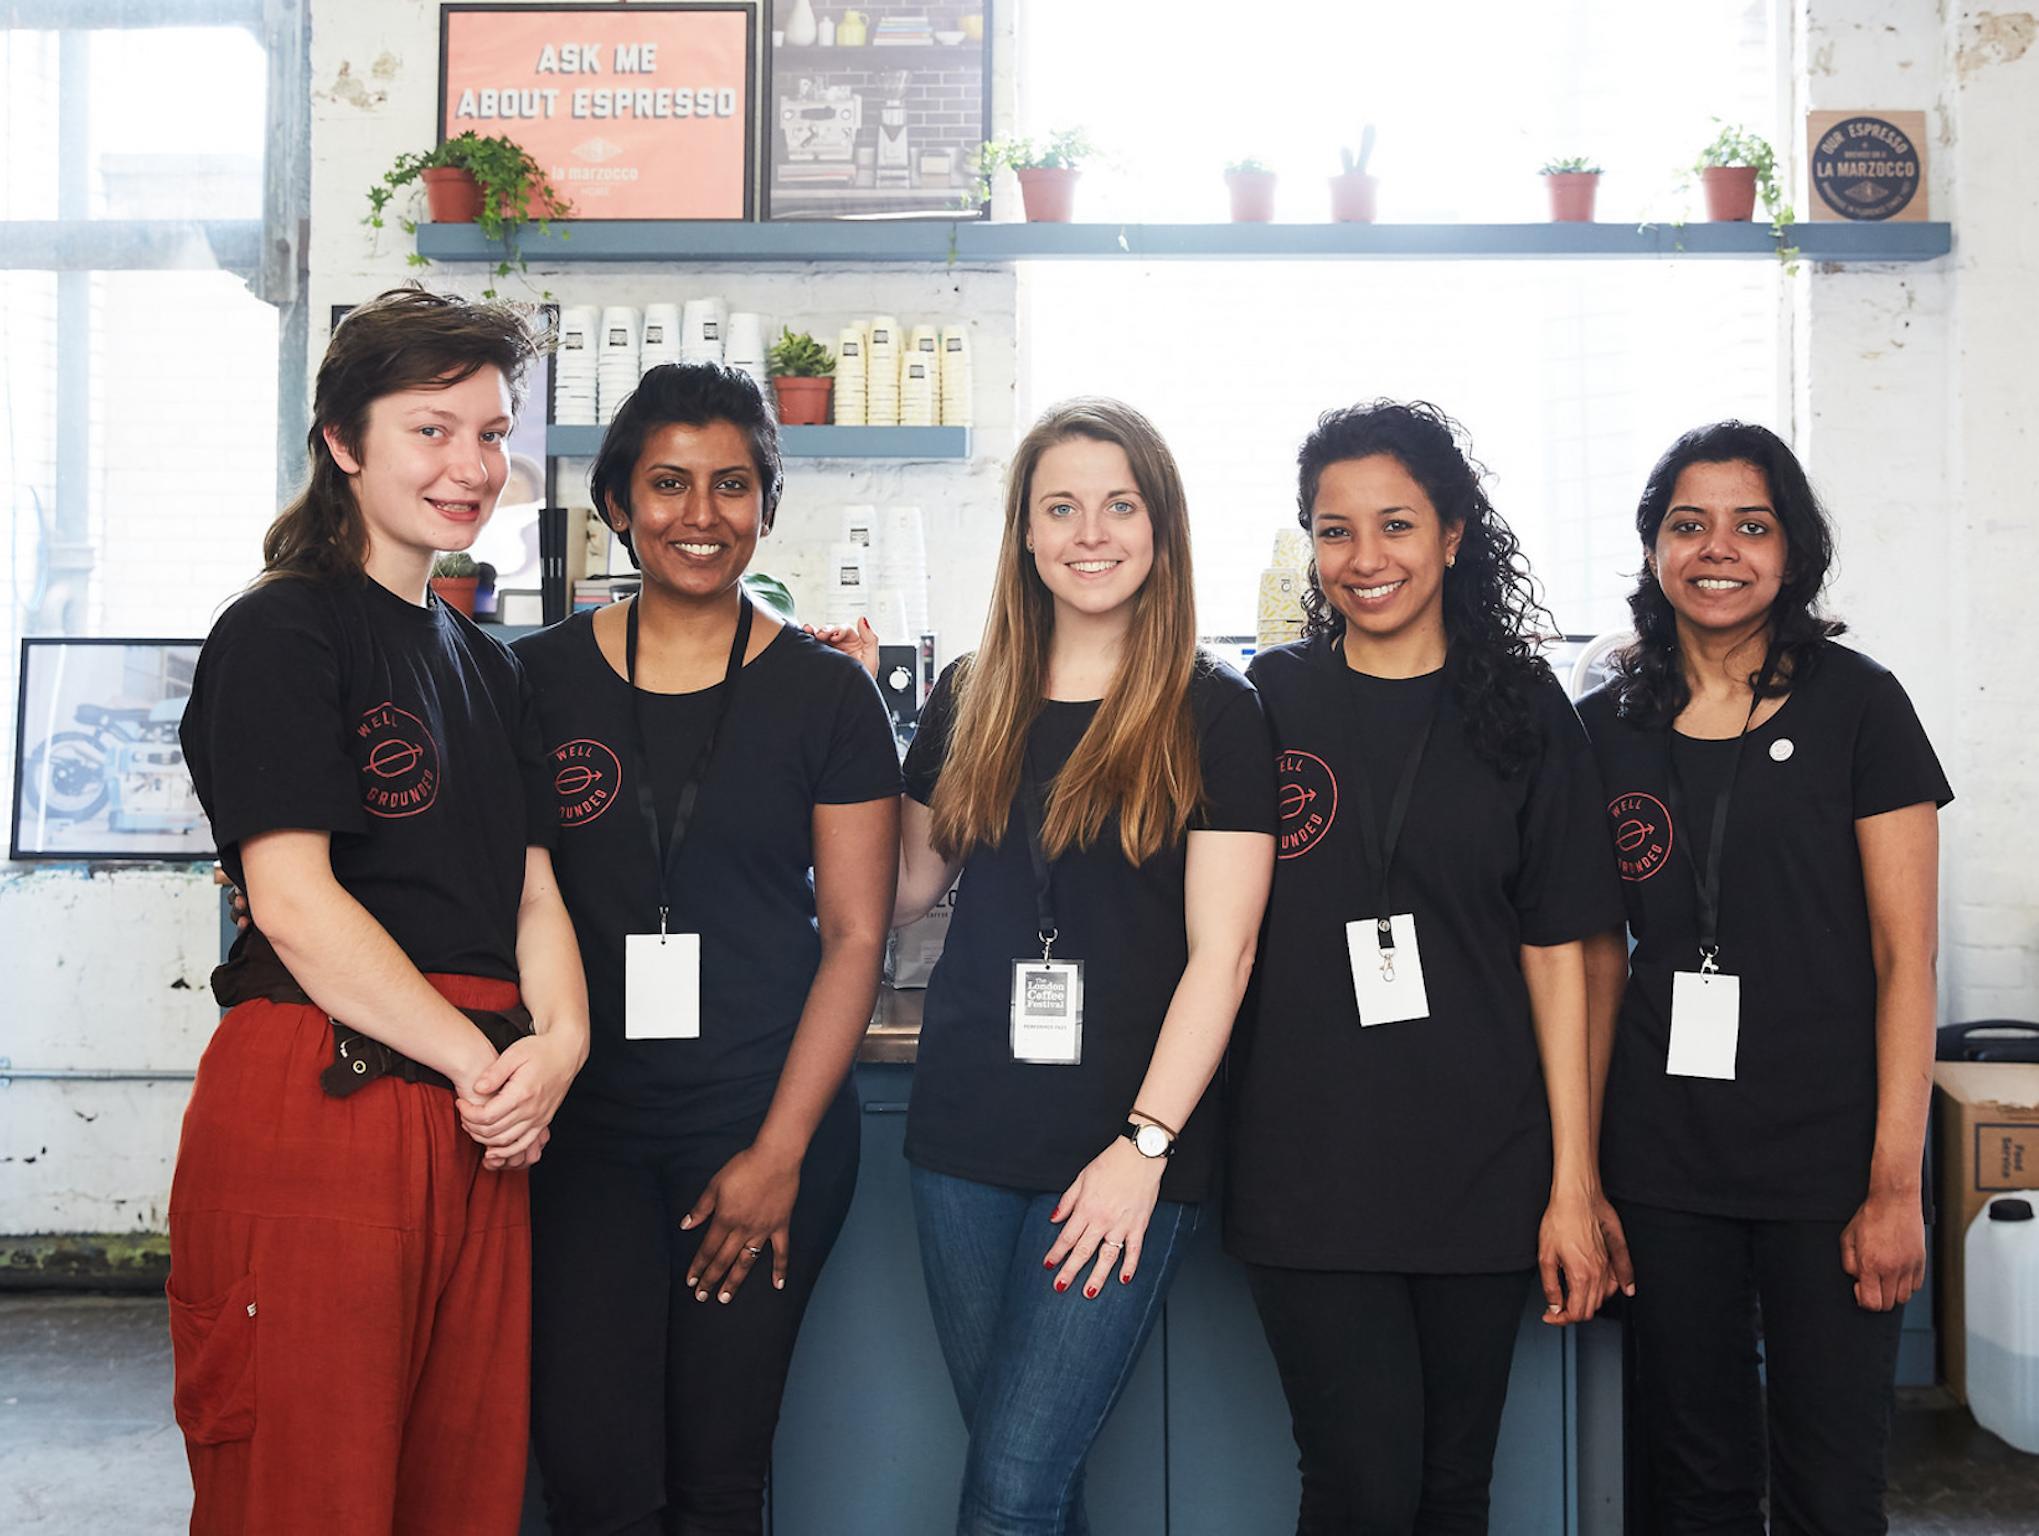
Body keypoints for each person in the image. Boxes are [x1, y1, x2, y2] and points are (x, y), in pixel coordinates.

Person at [170, 286, 589, 1535]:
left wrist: (557, 1049)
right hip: (325, 1091)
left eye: (493, 432)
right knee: (308, 1495)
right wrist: (484, 1063)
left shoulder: (486, 661)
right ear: (345, 443)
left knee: (456, 1493)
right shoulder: (280, 632)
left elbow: (531, 890)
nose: (471, 466)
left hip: (478, 1118)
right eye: (432, 429)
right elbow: (293, 901)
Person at [822, 396, 1275, 1535]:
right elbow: (904, 885)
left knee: (1010, 1491)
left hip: (1120, 1142)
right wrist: (820, 719)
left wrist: (1143, 1149)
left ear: (1160, 529)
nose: (1089, 533)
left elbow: (1223, 956)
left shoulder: (1212, 710)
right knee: (1034, 1480)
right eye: (1059, 507)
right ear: (1023, 534)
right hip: (964, 1136)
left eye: (1119, 505)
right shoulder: (975, 694)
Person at [512, 362, 901, 1535]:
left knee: (718, 1480)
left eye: (732, 486)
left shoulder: (828, 697)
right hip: (580, 1134)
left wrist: (778, 1151)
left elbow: (855, 936)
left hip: (759, 1125)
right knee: (592, 1480)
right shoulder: (530, 681)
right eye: (667, 483)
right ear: (618, 503)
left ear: (767, 508)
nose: (700, 514)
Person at [1224, 401, 1626, 1535]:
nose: (1364, 559)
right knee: (1356, 1489)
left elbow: (1563, 958)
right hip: (1306, 1170)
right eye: (1332, 530)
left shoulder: (1524, 713)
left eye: (1394, 524)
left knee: (1453, 1491)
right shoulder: (1268, 699)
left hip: (1482, 1169)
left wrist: (1573, 1182)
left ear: (1452, 533)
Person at [1578, 421, 1950, 1534]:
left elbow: (1903, 958)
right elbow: (1591, 958)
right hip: (1661, 1160)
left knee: (1830, 1490)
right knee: (1689, 1482)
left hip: (1826, 1162)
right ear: (1652, 549)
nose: (1717, 549)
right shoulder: (1603, 729)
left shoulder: (1857, 708)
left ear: (1792, 550)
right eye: (1687, 525)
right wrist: (1582, 1173)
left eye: (1751, 524)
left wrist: (1893, 1184)